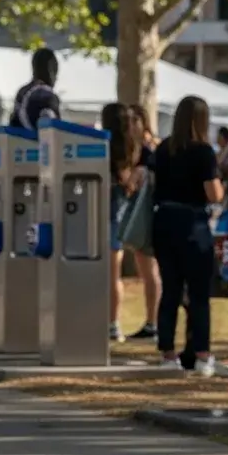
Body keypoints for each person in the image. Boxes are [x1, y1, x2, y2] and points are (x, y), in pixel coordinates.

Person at [152, 96, 225, 374]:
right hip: (193, 223)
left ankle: (168, 354)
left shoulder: (163, 148)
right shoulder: (203, 151)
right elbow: (213, 193)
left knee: (170, 290)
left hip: (163, 221)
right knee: (198, 293)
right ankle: (202, 354)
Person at [100, 103, 145, 342]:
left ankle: (107, 323)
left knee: (103, 274)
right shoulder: (132, 148)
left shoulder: (103, 148)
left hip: (102, 215)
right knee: (113, 275)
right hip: (119, 217)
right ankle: (113, 323)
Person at [124, 104, 161, 341]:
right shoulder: (147, 147)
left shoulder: (147, 150)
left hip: (147, 215)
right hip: (149, 214)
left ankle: (153, 322)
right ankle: (152, 320)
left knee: (150, 271)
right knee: (147, 270)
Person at [9, 48, 61, 130]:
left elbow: (13, 123)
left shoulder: (21, 92)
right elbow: (55, 131)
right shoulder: (47, 96)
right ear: (52, 70)